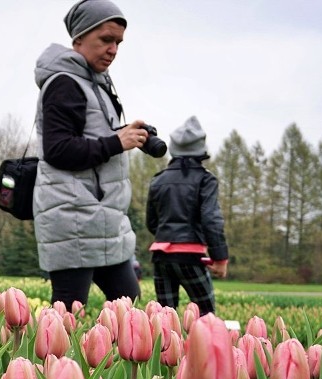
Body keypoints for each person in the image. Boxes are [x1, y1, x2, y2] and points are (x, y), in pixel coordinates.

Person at [33, 0, 146, 310]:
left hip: (103, 220)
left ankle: (106, 361)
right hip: (73, 220)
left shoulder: (95, 83)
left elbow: (91, 138)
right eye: (106, 40)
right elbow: (57, 150)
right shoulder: (64, 83)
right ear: (79, 38)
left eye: (118, 43)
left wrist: (124, 132)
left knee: (132, 316)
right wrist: (116, 142)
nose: (113, 50)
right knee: (68, 316)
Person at [146, 115, 228, 314]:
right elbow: (211, 218)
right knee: (206, 317)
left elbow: (152, 222)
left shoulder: (158, 180)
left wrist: (169, 235)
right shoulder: (205, 179)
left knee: (164, 322)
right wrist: (220, 258)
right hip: (191, 257)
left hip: (161, 257)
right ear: (201, 149)